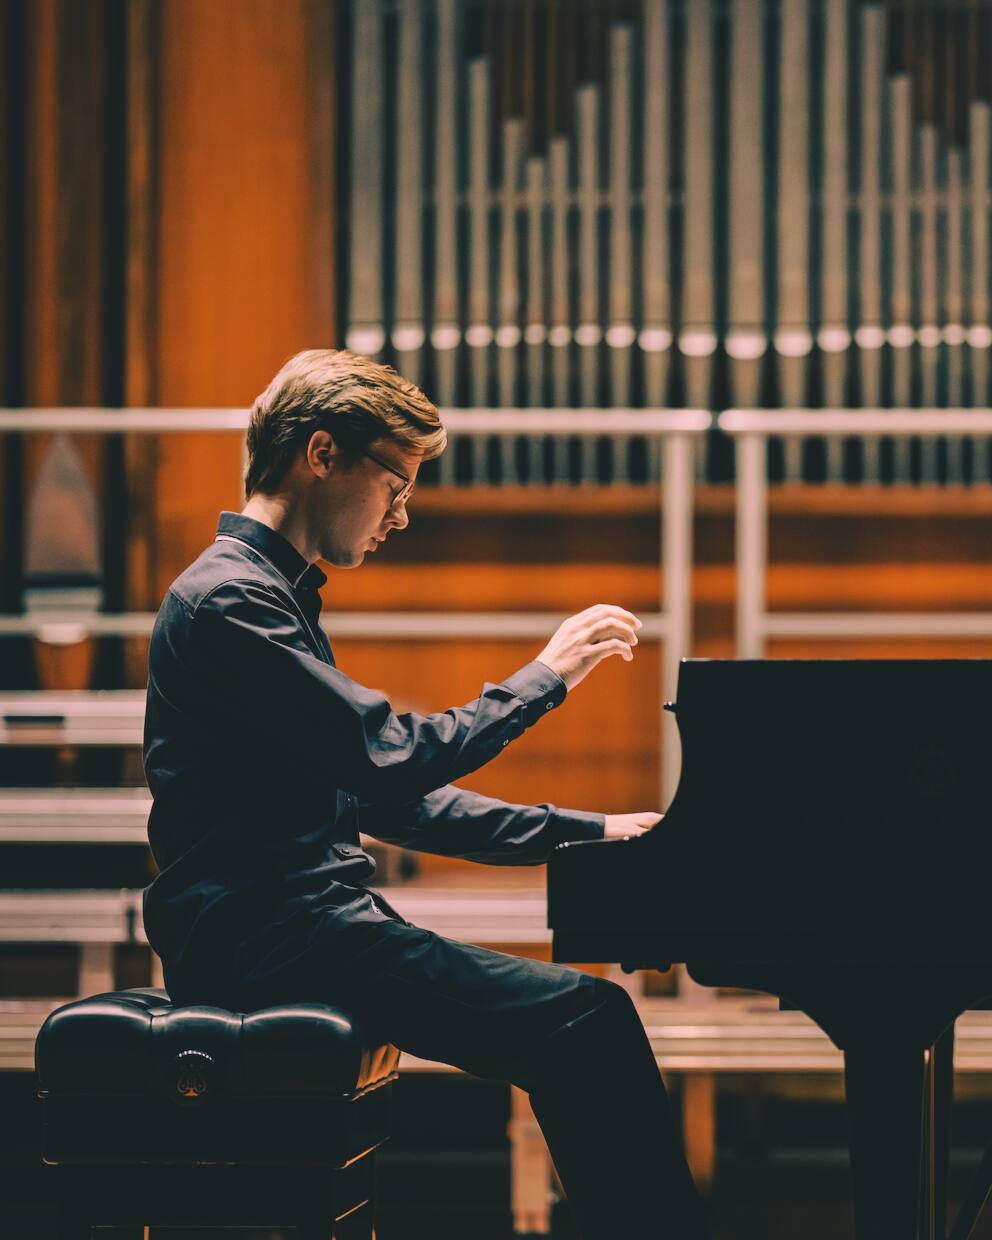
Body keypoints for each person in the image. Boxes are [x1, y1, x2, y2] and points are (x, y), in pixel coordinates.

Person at [143, 348, 711, 1239]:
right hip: (276, 944)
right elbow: (391, 760)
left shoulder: (265, 597)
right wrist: (544, 678)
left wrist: (590, 830)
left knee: (586, 1021)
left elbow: (387, 802)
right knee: (588, 1023)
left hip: (302, 934)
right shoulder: (230, 603)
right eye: (396, 485)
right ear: (322, 454)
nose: (401, 515)